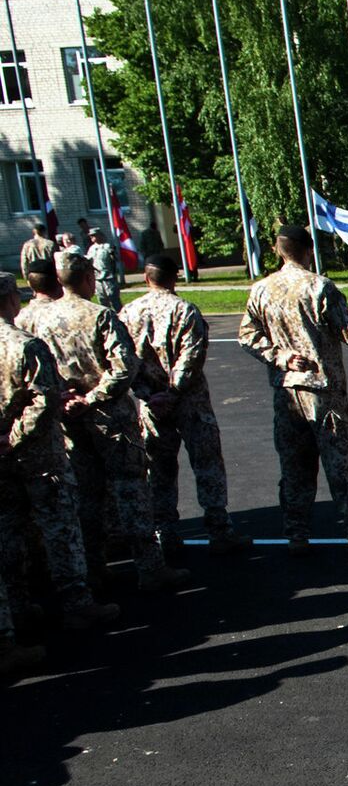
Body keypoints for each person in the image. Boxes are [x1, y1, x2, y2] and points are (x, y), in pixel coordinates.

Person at [19, 252, 187, 594]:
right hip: (109, 419)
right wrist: (93, 397)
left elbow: (37, 372)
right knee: (130, 491)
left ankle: (95, 567)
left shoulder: (39, 320)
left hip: (70, 421)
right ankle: (150, 568)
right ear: (85, 280)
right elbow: (124, 367)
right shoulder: (100, 316)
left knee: (87, 495)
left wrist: (66, 399)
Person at [236, 224, 348, 556]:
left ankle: (296, 533)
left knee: (294, 466)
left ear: (279, 251)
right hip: (323, 391)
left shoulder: (262, 289)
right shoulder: (320, 288)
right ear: (309, 250)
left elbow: (248, 336)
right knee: (344, 465)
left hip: (286, 390)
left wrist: (279, 356)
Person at [0, 270, 119, 634]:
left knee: (11, 530)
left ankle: (19, 606)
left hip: (3, 455)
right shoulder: (25, 345)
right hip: (38, 456)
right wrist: (16, 436)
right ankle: (77, 603)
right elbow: (45, 400)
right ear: (10, 301)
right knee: (60, 528)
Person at [120, 254, 248, 556]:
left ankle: (165, 533)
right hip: (189, 401)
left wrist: (147, 395)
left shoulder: (128, 312)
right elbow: (192, 356)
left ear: (146, 278)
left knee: (159, 468)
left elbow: (124, 361)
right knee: (207, 465)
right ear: (174, 277)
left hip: (152, 405)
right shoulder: (185, 310)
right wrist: (174, 391)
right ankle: (219, 530)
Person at [85, 227, 120, 313]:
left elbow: (116, 259)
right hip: (98, 279)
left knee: (114, 299)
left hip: (108, 278)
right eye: (90, 236)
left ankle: (120, 317)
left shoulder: (107, 246)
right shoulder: (92, 249)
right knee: (102, 301)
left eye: (94, 235)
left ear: (99, 235)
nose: (91, 238)